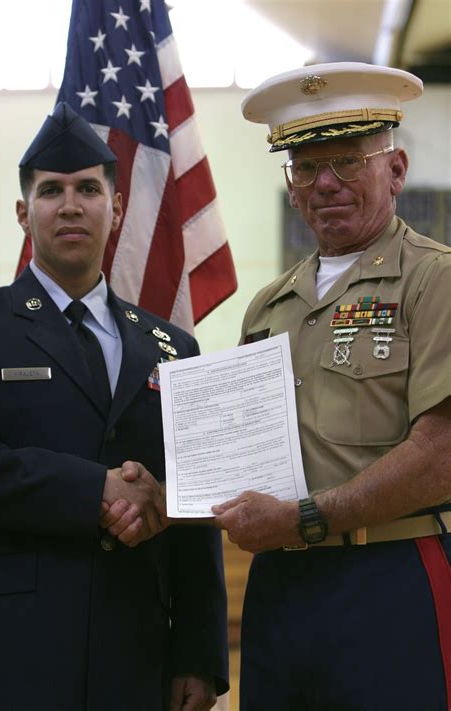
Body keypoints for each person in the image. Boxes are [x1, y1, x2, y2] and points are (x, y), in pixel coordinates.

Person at [213, 62, 451, 710]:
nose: (325, 184)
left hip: (390, 578)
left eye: (348, 161)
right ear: (291, 186)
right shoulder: (268, 305)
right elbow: (236, 452)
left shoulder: (434, 282)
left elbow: (440, 456)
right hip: (280, 584)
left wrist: (307, 516)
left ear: (395, 169)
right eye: (306, 167)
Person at [0, 102, 228, 711]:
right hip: (10, 649)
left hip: (136, 647)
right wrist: (96, 490)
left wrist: (199, 652)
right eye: (51, 191)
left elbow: (195, 507)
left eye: (89, 188)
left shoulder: (173, 345)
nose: (70, 205)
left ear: (116, 210)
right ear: (23, 212)